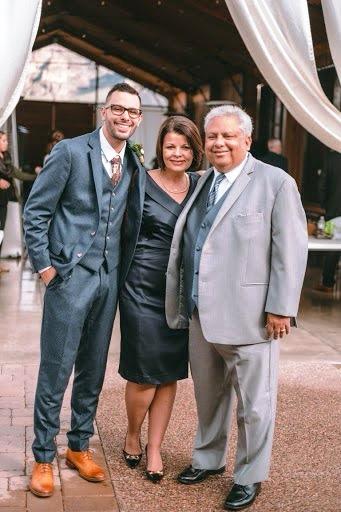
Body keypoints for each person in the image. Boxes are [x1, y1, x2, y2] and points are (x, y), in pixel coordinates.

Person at [166, 105, 307, 510]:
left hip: (251, 317)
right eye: (212, 136)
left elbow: (290, 250)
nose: (219, 143)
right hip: (200, 315)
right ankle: (208, 459)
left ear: (247, 140)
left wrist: (280, 307)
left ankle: (249, 475)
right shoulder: (199, 183)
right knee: (209, 399)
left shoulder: (275, 182)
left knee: (255, 404)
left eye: (228, 136)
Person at [23, 83, 144, 498]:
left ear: (139, 119)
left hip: (109, 279)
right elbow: (36, 211)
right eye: (118, 109)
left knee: (92, 368)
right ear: (103, 111)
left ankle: (78, 447)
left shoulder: (134, 163)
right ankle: (42, 455)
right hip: (70, 277)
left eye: (133, 112)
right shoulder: (71, 152)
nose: (125, 117)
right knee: (56, 368)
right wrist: (46, 269)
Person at [119, 116, 203, 482]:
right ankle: (133, 432)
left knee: (168, 374)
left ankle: (155, 447)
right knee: (144, 375)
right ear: (160, 149)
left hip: (180, 290)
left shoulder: (201, 186)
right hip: (140, 286)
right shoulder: (140, 180)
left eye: (185, 147)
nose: (178, 153)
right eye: (171, 146)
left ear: (194, 151)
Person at [0, 130, 36, 271]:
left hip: (3, 201)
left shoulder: (6, 159)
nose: (6, 143)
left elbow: (19, 174)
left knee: (1, 231)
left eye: (6, 140)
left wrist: (39, 176)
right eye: (3, 140)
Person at [315, 150, 341, 292]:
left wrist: (324, 204)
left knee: (332, 245)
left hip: (333, 209)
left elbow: (322, 184)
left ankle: (327, 283)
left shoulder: (331, 157)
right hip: (333, 208)